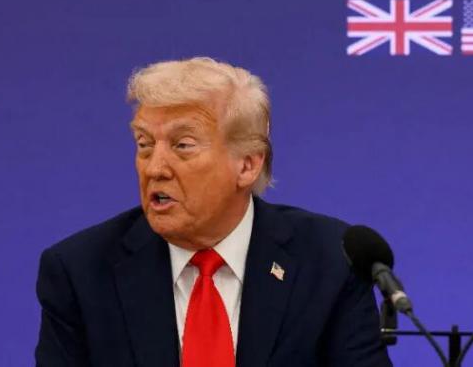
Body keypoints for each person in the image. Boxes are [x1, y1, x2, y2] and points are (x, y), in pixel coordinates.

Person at [35, 57, 391, 367]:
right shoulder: (81, 272)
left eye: (183, 145)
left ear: (247, 165)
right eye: (144, 144)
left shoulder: (328, 261)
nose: (154, 167)